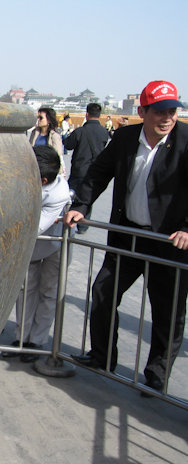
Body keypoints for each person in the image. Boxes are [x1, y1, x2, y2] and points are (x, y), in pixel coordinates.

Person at [63, 80, 188, 394]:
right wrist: (81, 205)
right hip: (128, 234)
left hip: (169, 242)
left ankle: (156, 374)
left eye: (172, 110)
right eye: (159, 111)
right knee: (103, 292)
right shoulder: (125, 137)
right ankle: (102, 356)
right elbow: (99, 172)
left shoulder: (186, 141)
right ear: (142, 111)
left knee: (167, 311)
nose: (167, 117)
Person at [1, 146, 69, 361]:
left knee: (48, 293)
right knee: (25, 292)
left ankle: (36, 342)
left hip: (53, 246)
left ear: (43, 181)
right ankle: (21, 339)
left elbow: (34, 227)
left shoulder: (59, 193)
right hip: (28, 248)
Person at [63, 103, 109, 233]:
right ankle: (83, 226)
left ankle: (68, 221)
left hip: (79, 169)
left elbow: (68, 145)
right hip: (95, 170)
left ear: (87, 114)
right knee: (87, 198)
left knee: (70, 197)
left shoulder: (80, 131)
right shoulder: (104, 132)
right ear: (99, 115)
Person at [29, 107, 65, 178]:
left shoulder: (54, 136)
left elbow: (57, 155)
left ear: (48, 120)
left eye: (41, 118)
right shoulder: (34, 133)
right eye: (38, 117)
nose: (38, 120)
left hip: (47, 171)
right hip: (34, 168)